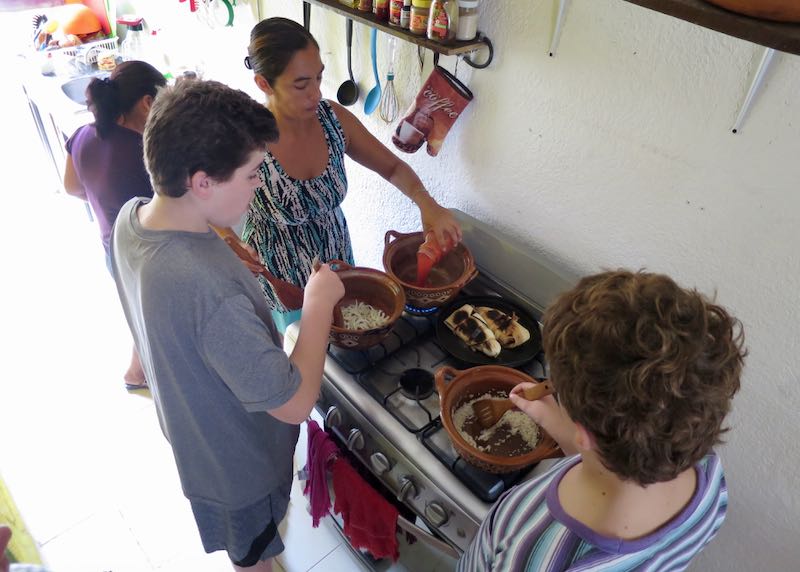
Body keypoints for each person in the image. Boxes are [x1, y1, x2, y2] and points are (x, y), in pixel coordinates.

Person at [110, 79, 344, 571]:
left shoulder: (131, 219)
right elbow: (296, 402)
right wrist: (319, 302)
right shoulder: (208, 292)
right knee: (254, 558)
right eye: (255, 173)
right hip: (241, 470)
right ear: (202, 183)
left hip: (199, 434)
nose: (260, 184)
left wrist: (222, 240)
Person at [458, 270, 746, 572]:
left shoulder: (529, 540)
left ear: (585, 433)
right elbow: (612, 460)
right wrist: (556, 421)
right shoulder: (709, 479)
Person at [242, 17, 463, 330]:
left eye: (318, 78)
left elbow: (393, 166)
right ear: (264, 83)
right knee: (297, 367)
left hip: (338, 265)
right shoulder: (244, 139)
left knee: (343, 354)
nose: (316, 94)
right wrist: (227, 241)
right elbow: (200, 203)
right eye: (301, 84)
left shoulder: (332, 119)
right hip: (280, 283)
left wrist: (426, 203)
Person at [63, 60, 166, 390]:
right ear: (148, 103)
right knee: (152, 319)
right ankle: (143, 373)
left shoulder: (82, 136)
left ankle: (137, 372)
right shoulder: (144, 151)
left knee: (140, 315)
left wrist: (103, 197)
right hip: (144, 253)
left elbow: (72, 187)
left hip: (112, 247)